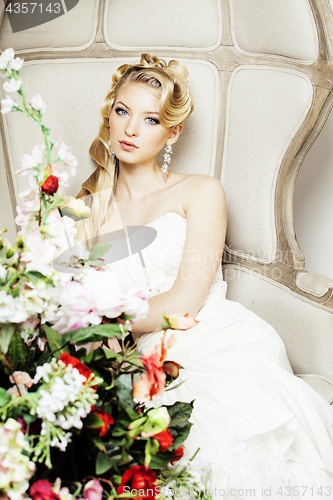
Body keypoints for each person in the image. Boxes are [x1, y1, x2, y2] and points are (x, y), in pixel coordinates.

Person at [75, 53, 333, 499]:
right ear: (110, 114)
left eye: (150, 119)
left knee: (215, 429)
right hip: (137, 356)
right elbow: (64, 300)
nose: (130, 129)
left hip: (214, 336)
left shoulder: (200, 191)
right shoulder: (84, 210)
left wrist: (99, 315)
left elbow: (185, 302)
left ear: (173, 131)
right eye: (122, 111)